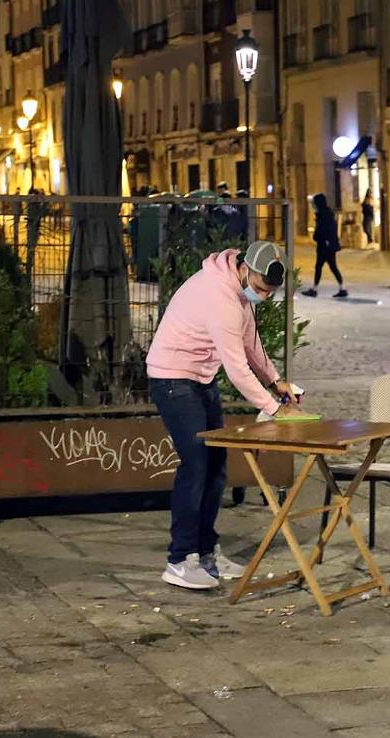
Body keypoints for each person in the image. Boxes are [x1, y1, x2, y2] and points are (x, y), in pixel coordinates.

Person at [146, 241, 304, 590]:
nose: (262, 295)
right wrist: (274, 409)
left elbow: (252, 344)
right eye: (260, 287)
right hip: (173, 377)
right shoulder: (220, 297)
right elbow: (236, 368)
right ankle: (180, 559)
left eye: (269, 292)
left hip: (200, 378)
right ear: (246, 268)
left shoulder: (239, 293)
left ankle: (206, 552)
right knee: (196, 465)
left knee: (217, 467)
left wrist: (277, 381)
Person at [302, 193, 346, 298]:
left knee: (319, 267)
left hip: (325, 246)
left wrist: (319, 238)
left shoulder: (324, 215)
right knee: (332, 267)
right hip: (328, 245)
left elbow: (324, 230)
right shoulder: (326, 213)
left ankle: (315, 289)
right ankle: (342, 288)